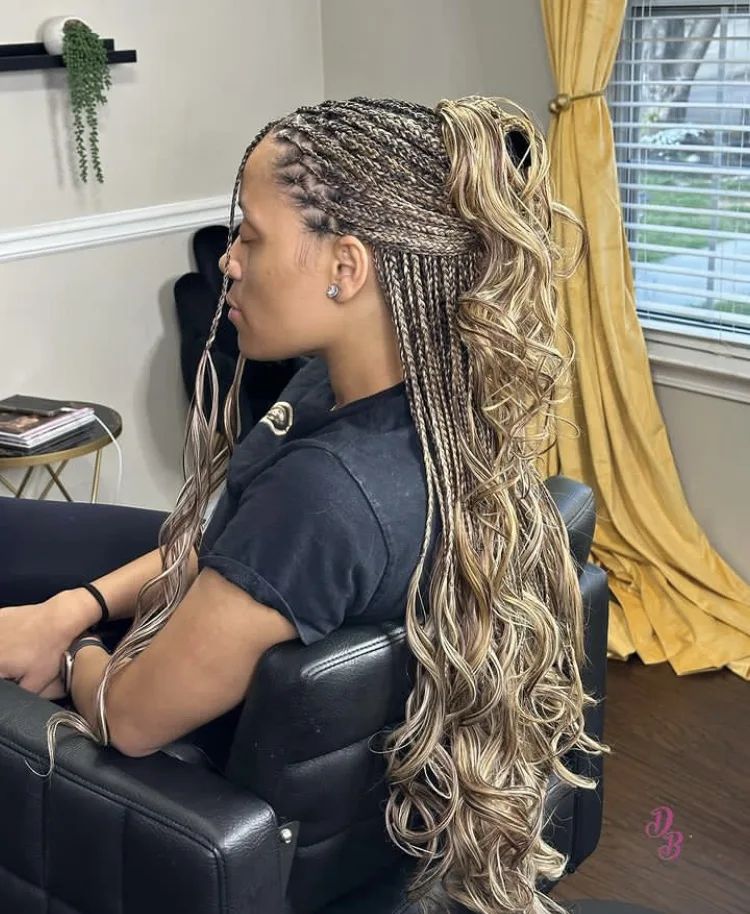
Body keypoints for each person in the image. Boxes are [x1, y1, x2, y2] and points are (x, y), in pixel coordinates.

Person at [0, 96, 606, 914]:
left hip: (173, 771)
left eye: (250, 237)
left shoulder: (326, 494)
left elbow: (132, 718)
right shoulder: (418, 400)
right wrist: (77, 605)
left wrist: (69, 649)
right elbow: (229, 542)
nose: (228, 261)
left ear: (346, 268)